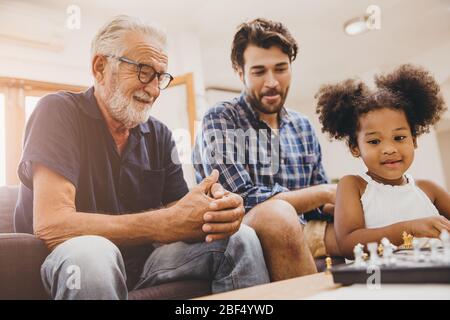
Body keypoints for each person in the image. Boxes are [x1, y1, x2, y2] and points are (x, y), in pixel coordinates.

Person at [13, 15, 269, 300]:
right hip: (72, 260)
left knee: (241, 238)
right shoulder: (57, 111)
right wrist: (163, 222)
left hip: (147, 262)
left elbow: (179, 212)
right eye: (144, 71)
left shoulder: (160, 134)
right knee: (93, 253)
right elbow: (52, 224)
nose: (155, 89)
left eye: (161, 76)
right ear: (100, 67)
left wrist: (214, 211)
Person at [193, 18, 340, 282]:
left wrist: (354, 197)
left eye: (281, 69)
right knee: (277, 215)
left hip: (303, 229)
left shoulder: (302, 125)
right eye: (259, 72)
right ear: (241, 74)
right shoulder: (221, 118)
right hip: (244, 233)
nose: (272, 82)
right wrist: (323, 192)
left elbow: (319, 205)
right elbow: (240, 199)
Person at [315, 64, 450, 259]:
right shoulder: (353, 186)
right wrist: (410, 229)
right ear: (355, 148)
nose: (389, 149)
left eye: (399, 138)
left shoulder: (429, 190)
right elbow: (348, 243)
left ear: (414, 140)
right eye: (374, 141)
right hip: (376, 282)